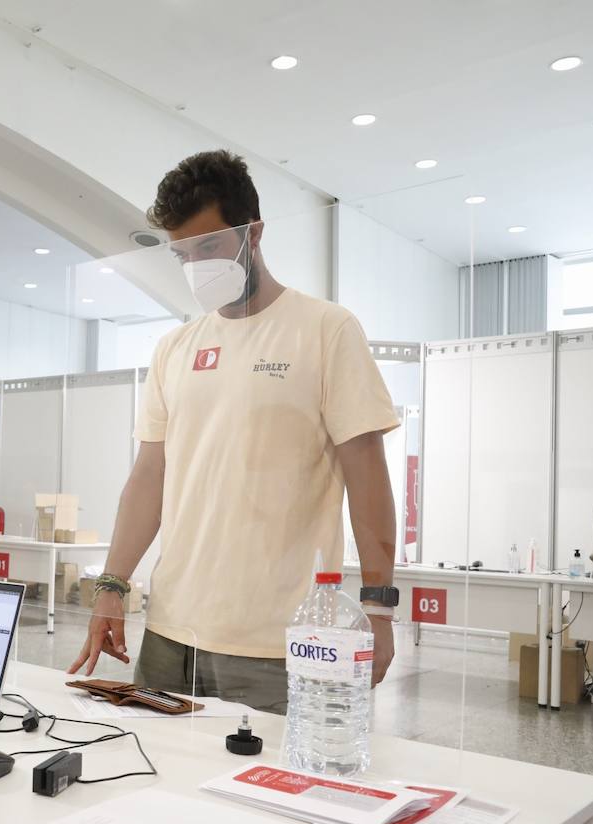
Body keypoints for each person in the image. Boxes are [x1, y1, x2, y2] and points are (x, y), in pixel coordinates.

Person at [68, 150, 401, 713]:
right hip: (172, 634)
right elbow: (149, 478)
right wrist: (112, 589)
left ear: (255, 232)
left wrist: (380, 610)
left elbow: (367, 478)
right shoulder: (174, 349)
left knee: (264, 796)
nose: (197, 266)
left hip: (280, 640)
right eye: (183, 254)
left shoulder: (325, 330)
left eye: (209, 247)